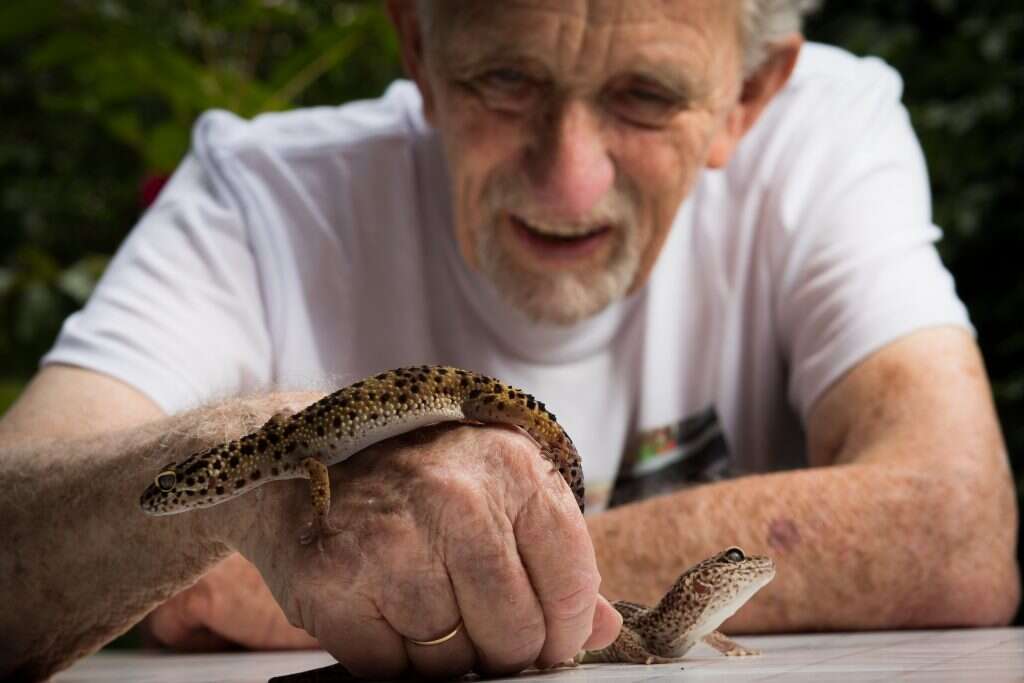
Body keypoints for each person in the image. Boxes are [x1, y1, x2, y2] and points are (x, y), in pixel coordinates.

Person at [1, 1, 1019, 680]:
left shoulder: (828, 133)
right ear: (416, 44)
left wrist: (451, 563)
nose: (568, 180)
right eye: (505, 79)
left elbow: (957, 532)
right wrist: (248, 467)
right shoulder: (254, 193)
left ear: (750, 93)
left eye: (646, 95)